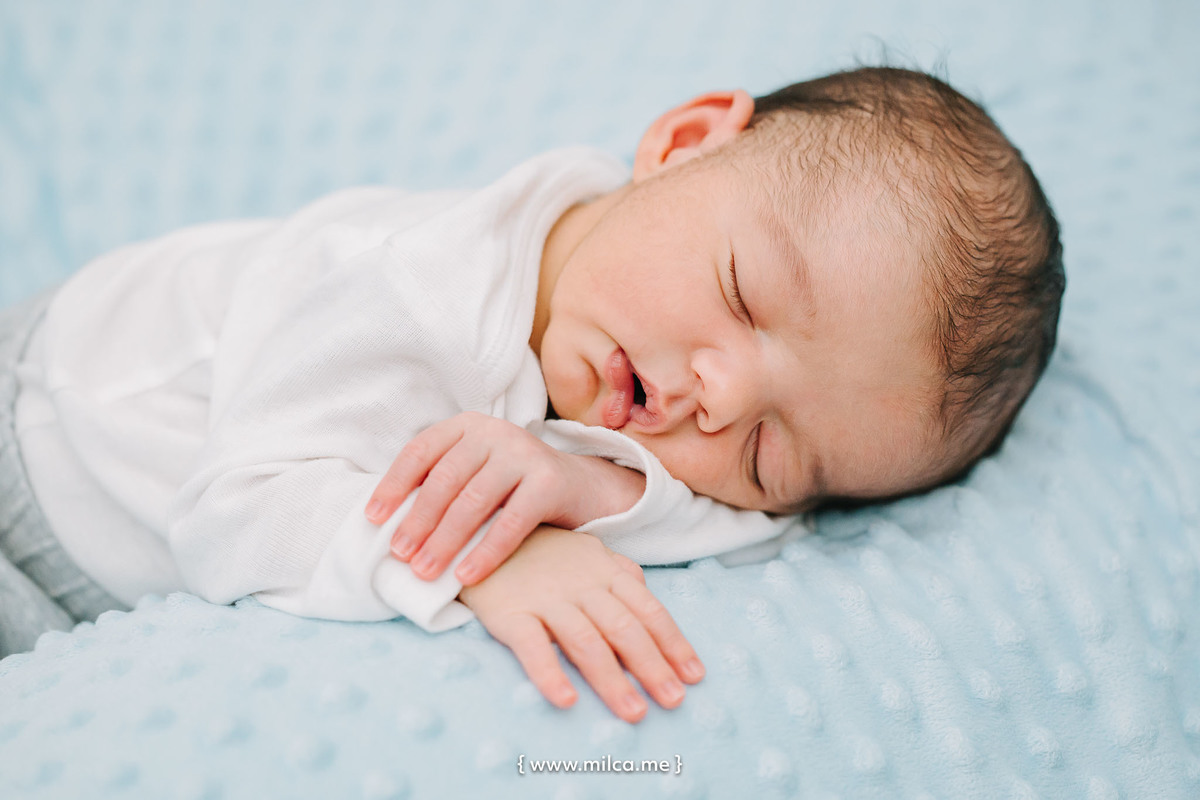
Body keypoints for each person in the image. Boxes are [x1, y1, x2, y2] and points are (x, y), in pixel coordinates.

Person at [0, 67, 1064, 722]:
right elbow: (234, 515)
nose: (718, 398)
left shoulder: (640, 341)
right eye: (743, 295)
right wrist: (487, 558)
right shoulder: (415, 285)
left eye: (767, 452)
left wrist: (585, 489)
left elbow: (744, 527)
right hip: (45, 451)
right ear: (683, 144)